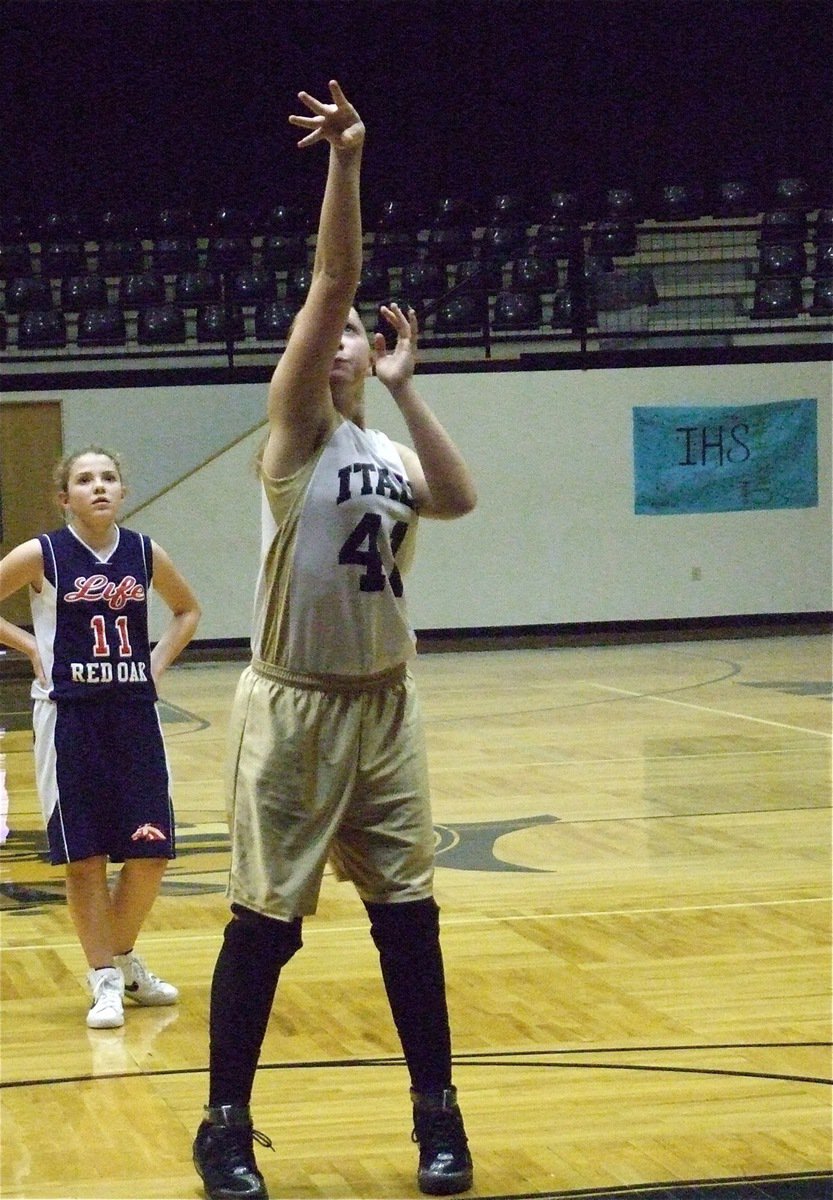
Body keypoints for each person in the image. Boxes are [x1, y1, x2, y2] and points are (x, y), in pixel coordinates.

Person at [192, 80, 477, 1200]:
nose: (348, 335)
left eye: (357, 334)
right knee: (264, 926)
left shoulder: (385, 449)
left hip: (384, 703)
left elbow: (454, 498)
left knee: (409, 921)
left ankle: (438, 1120)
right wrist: (347, 162)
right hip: (295, 703)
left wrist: (410, 396)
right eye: (339, 331)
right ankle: (223, 1128)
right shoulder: (297, 430)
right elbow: (332, 276)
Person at [0, 446, 201, 1029]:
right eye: (84, 480)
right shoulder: (44, 553)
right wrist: (32, 645)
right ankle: (106, 979)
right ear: (65, 497)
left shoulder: (142, 552)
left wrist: (156, 663)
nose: (99, 487)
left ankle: (122, 958)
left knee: (151, 851)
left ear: (122, 490)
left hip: (135, 714)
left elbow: (186, 611)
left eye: (109, 477)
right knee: (84, 859)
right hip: (69, 718)